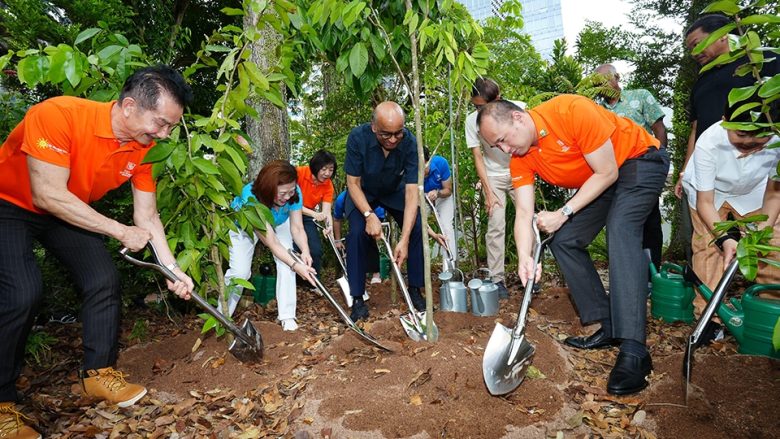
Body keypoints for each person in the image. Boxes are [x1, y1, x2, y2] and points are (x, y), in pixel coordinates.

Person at [0, 65, 195, 438]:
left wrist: (172, 270)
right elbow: (47, 194)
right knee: (21, 292)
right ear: (129, 106)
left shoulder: (144, 149)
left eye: (171, 127)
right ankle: (1, 403)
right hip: (9, 203)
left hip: (66, 209)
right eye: (160, 123)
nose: (164, 134)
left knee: (103, 278)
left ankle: (97, 375)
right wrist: (119, 231)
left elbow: (148, 216)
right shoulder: (57, 115)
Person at [477, 96, 669, 396]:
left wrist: (563, 212)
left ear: (517, 118)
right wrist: (525, 257)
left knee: (621, 228)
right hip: (603, 179)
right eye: (496, 146)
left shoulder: (571, 112)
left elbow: (607, 172)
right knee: (564, 240)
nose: (503, 149)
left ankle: (635, 349)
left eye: (502, 140)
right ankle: (609, 325)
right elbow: (524, 213)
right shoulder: (521, 157)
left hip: (639, 160)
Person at [676, 13, 780, 261]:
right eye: (689, 49)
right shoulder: (702, 80)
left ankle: (768, 287)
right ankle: (708, 288)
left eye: (697, 44)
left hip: (759, 172)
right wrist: (685, 169)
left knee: (770, 242)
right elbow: (696, 128)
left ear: (722, 35)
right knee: (707, 246)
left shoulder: (763, 60)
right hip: (709, 171)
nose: (693, 53)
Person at [682, 98, 780, 310]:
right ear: (725, 120)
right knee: (708, 247)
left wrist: (762, 231)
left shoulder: (777, 143)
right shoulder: (708, 142)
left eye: (760, 137)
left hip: (754, 191)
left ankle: (769, 310)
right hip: (709, 193)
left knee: (772, 243)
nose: (749, 142)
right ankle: (709, 315)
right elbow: (705, 202)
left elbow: (774, 194)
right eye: (741, 134)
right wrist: (725, 239)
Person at [344, 101, 426, 322]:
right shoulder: (357, 138)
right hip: (363, 192)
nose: (392, 140)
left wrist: (404, 239)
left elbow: (412, 193)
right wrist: (368, 215)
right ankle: (357, 298)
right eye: (386, 134)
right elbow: (352, 183)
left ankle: (415, 289)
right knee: (356, 234)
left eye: (398, 133)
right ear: (374, 127)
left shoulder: (410, 142)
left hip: (393, 190)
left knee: (417, 227)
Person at [224, 160, 316, 331]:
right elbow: (271, 242)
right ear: (269, 189)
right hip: (245, 226)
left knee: (288, 260)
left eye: (291, 191)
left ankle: (287, 316)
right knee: (240, 273)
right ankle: (222, 315)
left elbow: (297, 227)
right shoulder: (251, 197)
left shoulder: (294, 192)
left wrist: (305, 251)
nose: (288, 197)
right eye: (282, 193)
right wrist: (297, 266)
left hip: (279, 222)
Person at [594, 63, 668, 269]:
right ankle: (629, 270)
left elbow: (659, 130)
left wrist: (658, 162)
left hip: (643, 169)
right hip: (613, 173)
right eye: (597, 84)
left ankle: (652, 273)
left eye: (604, 80)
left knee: (650, 222)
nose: (601, 86)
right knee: (620, 223)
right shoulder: (596, 109)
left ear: (617, 77)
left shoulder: (640, 96)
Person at [466, 78, 525, 298]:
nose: (478, 111)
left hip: (520, 171)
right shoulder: (472, 121)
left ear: (497, 100)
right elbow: (477, 156)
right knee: (496, 225)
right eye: (475, 106)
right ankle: (497, 279)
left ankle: (529, 274)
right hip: (493, 176)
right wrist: (488, 192)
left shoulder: (518, 110)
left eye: (482, 106)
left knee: (527, 220)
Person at [295, 150, 336, 275]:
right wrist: (314, 214)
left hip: (307, 216)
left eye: (331, 170)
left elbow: (326, 212)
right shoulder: (299, 173)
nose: (327, 173)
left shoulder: (328, 185)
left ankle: (313, 281)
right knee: (295, 247)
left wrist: (329, 227)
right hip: (288, 214)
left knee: (316, 250)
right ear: (315, 166)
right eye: (324, 169)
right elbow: (291, 203)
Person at [333, 190, 383, 285]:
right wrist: (338, 240)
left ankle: (375, 273)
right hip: (354, 222)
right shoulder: (342, 198)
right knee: (353, 237)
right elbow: (337, 219)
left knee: (369, 239)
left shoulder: (372, 195)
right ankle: (353, 274)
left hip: (373, 218)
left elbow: (379, 216)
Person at [423, 147, 456, 261]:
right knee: (417, 227)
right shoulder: (411, 169)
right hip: (422, 198)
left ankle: (450, 264)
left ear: (428, 161)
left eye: (424, 166)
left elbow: (448, 190)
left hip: (441, 196)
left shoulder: (441, 163)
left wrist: (438, 193)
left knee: (447, 227)